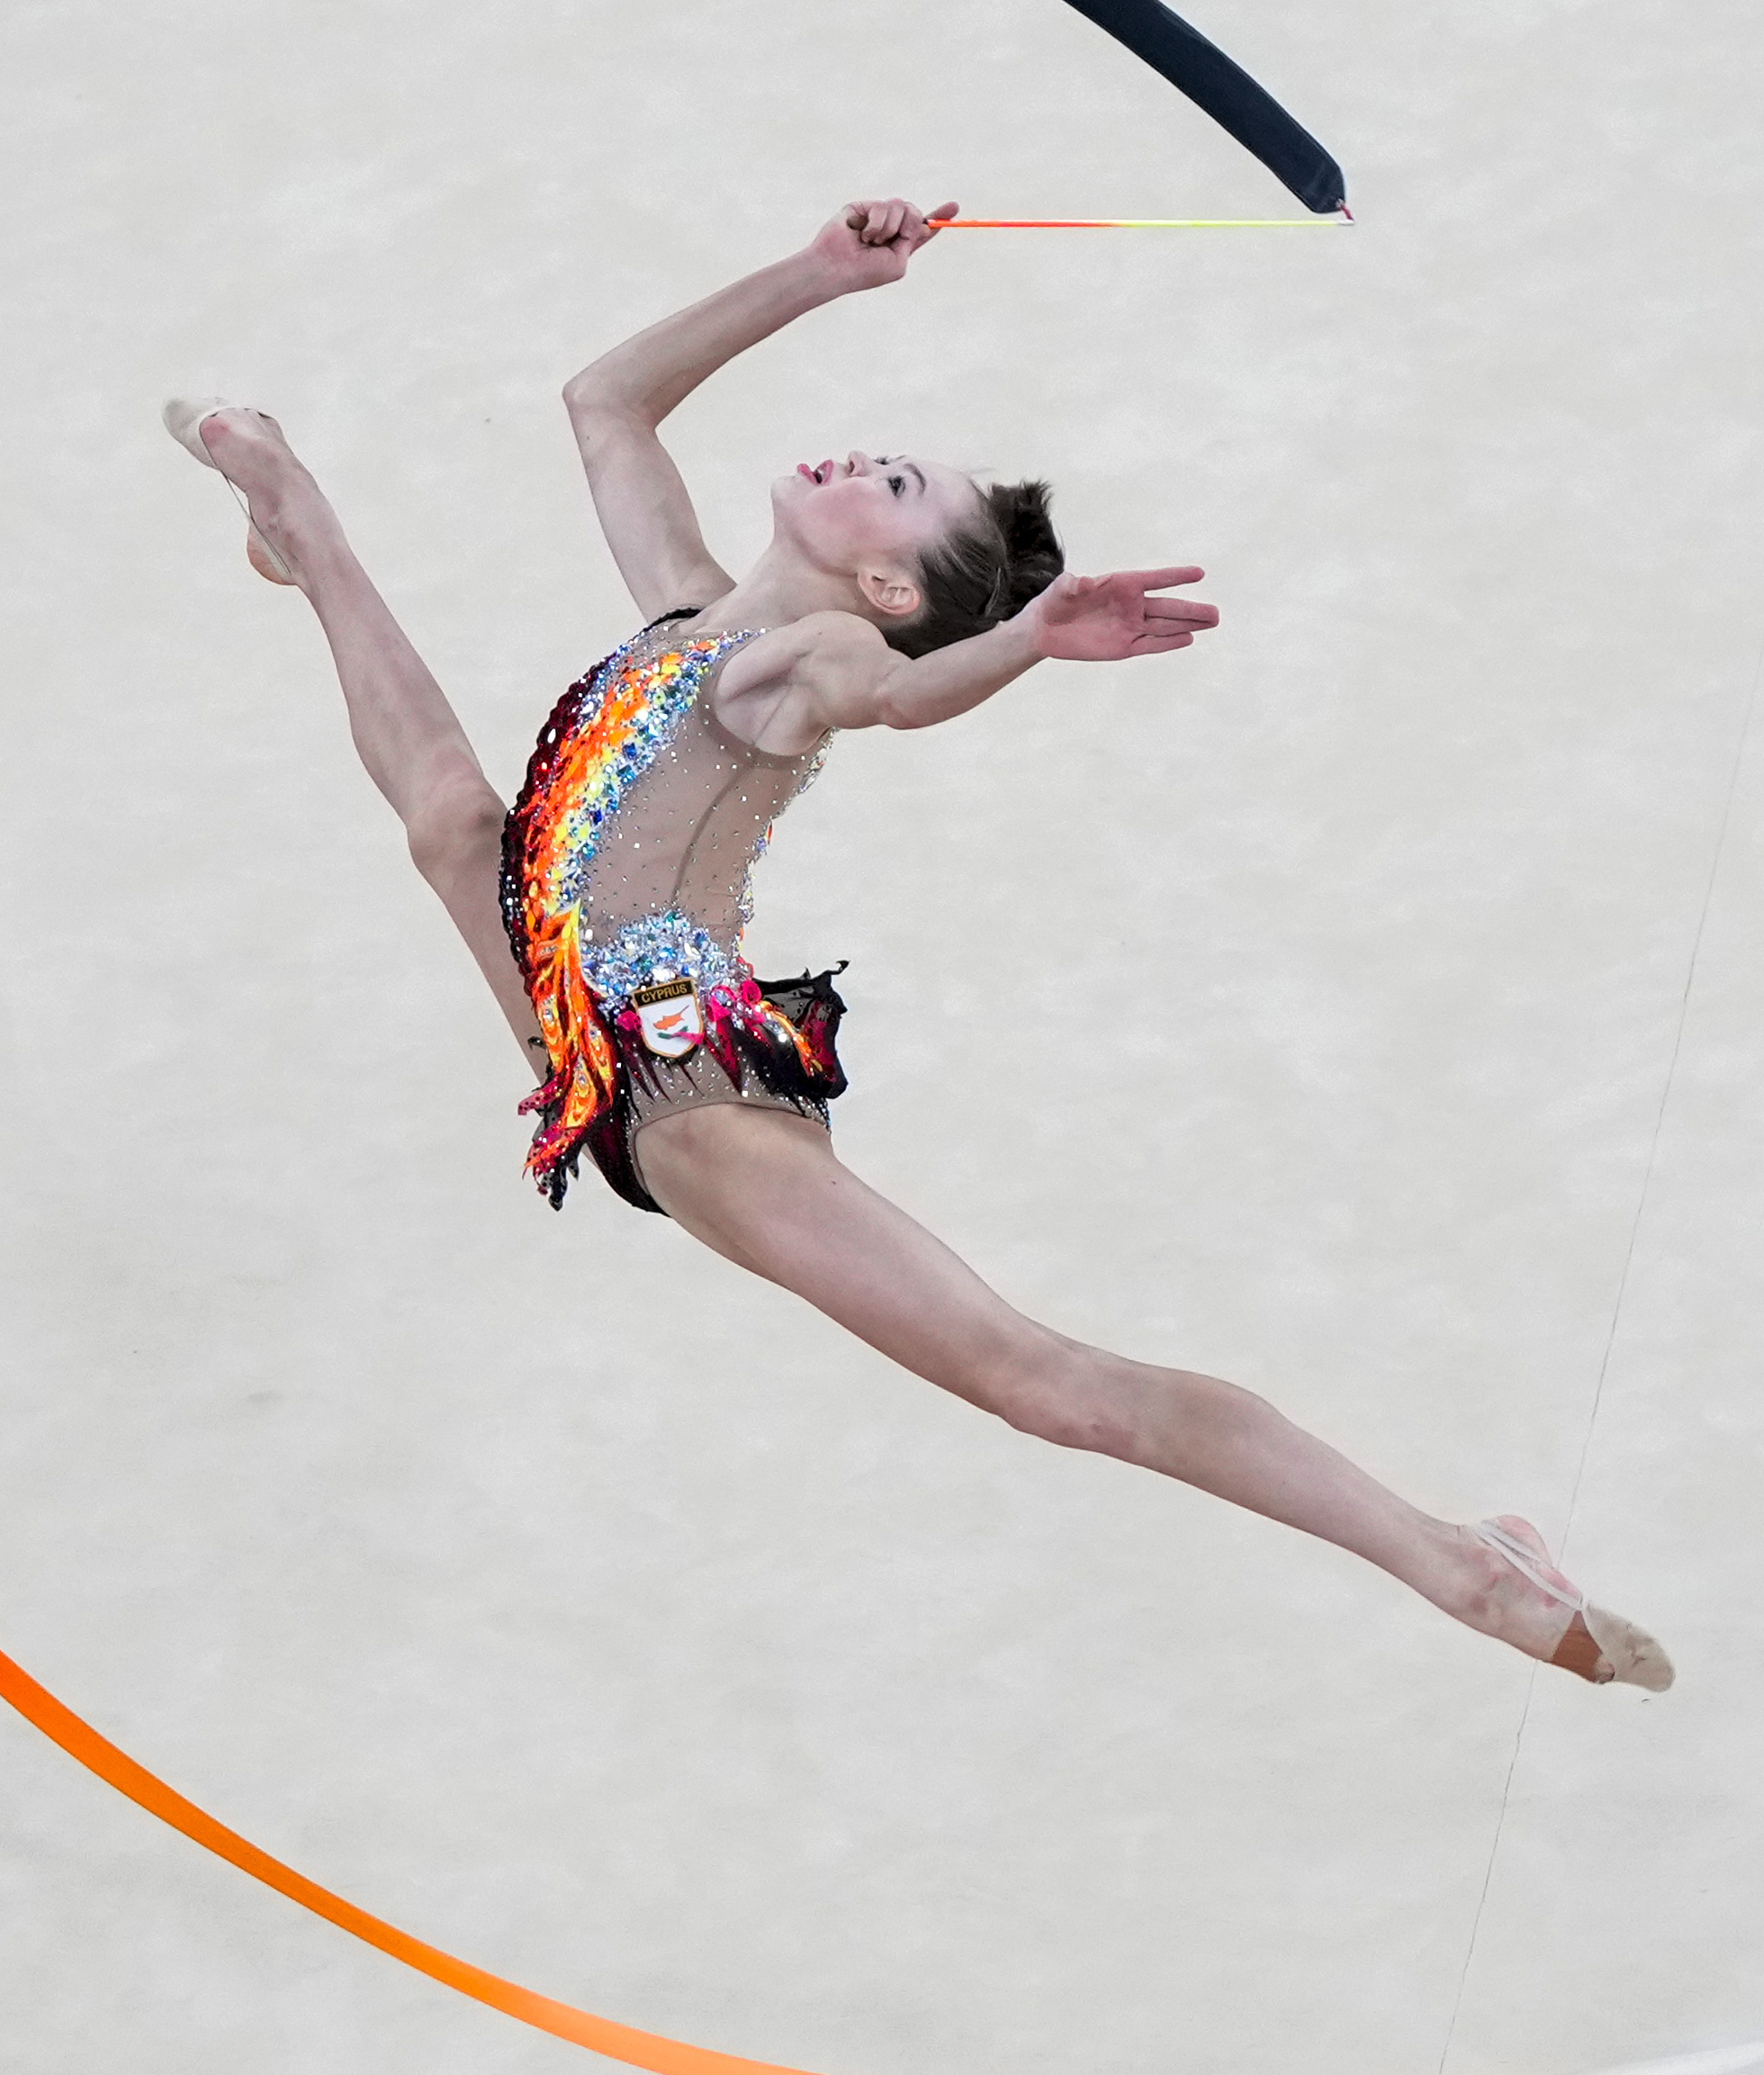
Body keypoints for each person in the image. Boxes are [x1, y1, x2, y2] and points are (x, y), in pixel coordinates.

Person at [165, 197, 1669, 1688]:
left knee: (1043, 1383)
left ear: (885, 590)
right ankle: (298, 523)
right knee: (449, 820)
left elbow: (897, 699)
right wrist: (819, 275)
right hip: (585, 1050)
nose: (862, 457)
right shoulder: (687, 615)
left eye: (895, 484)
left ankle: (1461, 1559)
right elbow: (605, 402)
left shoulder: (811, 662)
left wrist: (1019, 640)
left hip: (690, 1102)